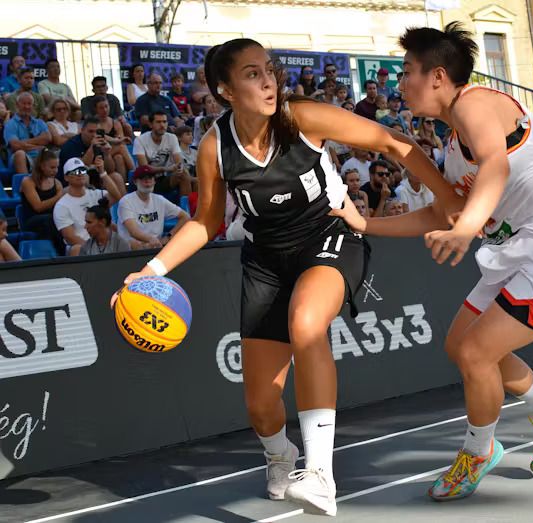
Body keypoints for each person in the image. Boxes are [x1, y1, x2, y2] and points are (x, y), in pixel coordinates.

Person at [112, 38, 458, 517]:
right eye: (252, 73)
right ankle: (281, 455)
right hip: (266, 259)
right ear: (225, 90)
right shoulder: (216, 146)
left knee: (307, 324)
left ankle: (319, 474)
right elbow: (205, 220)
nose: (269, 80)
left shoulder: (301, 117)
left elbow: (390, 141)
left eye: (269, 69)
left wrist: (450, 202)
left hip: (328, 234)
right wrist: (149, 271)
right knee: (260, 405)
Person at [334, 23, 533, 502]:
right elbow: (438, 212)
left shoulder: (476, 104)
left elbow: (496, 164)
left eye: (407, 71)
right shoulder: (451, 145)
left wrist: (467, 228)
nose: (399, 82)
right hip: (524, 247)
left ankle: (478, 450)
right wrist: (365, 225)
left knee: (476, 353)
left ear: (439, 77)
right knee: (461, 346)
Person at [54, 157, 122, 255]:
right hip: (82, 246)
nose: (80, 174)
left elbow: (116, 196)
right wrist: (94, 248)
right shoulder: (62, 205)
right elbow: (70, 237)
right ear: (66, 177)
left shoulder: (96, 194)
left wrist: (102, 173)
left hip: (103, 242)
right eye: (75, 172)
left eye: (83, 170)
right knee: (77, 249)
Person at [117, 166, 190, 248]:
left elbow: (185, 217)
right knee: (134, 244)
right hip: (132, 250)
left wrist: (168, 237)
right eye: (142, 178)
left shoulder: (159, 200)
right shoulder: (126, 201)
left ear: (154, 181)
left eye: (150, 178)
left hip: (155, 247)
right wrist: (151, 240)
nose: (147, 181)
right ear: (135, 181)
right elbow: (133, 232)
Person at [20, 148, 66, 249]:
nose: (56, 171)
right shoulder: (28, 182)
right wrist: (58, 196)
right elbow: (38, 207)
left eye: (57, 167)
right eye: (52, 167)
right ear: (42, 166)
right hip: (31, 220)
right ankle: (61, 250)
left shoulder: (57, 183)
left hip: (52, 219)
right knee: (50, 220)